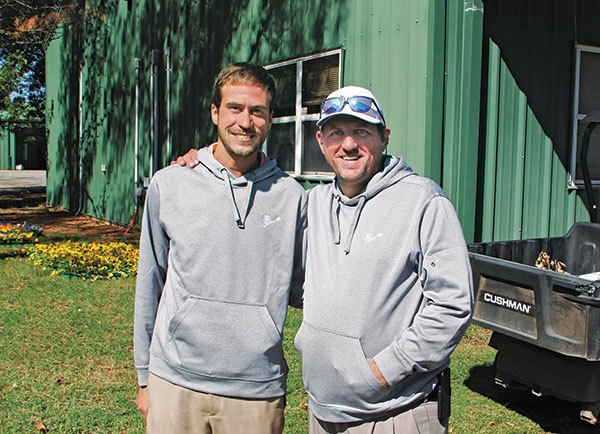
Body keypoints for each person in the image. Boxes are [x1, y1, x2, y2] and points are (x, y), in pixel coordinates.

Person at [177, 85, 473, 433]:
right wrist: (205, 166)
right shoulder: (311, 204)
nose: (348, 145)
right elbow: (268, 256)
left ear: (384, 137)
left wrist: (386, 369)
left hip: (397, 410)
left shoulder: (423, 202)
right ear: (321, 141)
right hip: (323, 411)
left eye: (361, 131)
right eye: (337, 133)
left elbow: (452, 304)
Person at [134, 63, 307, 434]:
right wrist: (145, 377)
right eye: (235, 108)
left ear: (270, 119)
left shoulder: (293, 197)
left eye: (257, 111)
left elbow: (306, 289)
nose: (246, 122)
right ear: (215, 112)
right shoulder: (170, 184)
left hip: (256, 390)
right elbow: (150, 282)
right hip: (174, 381)